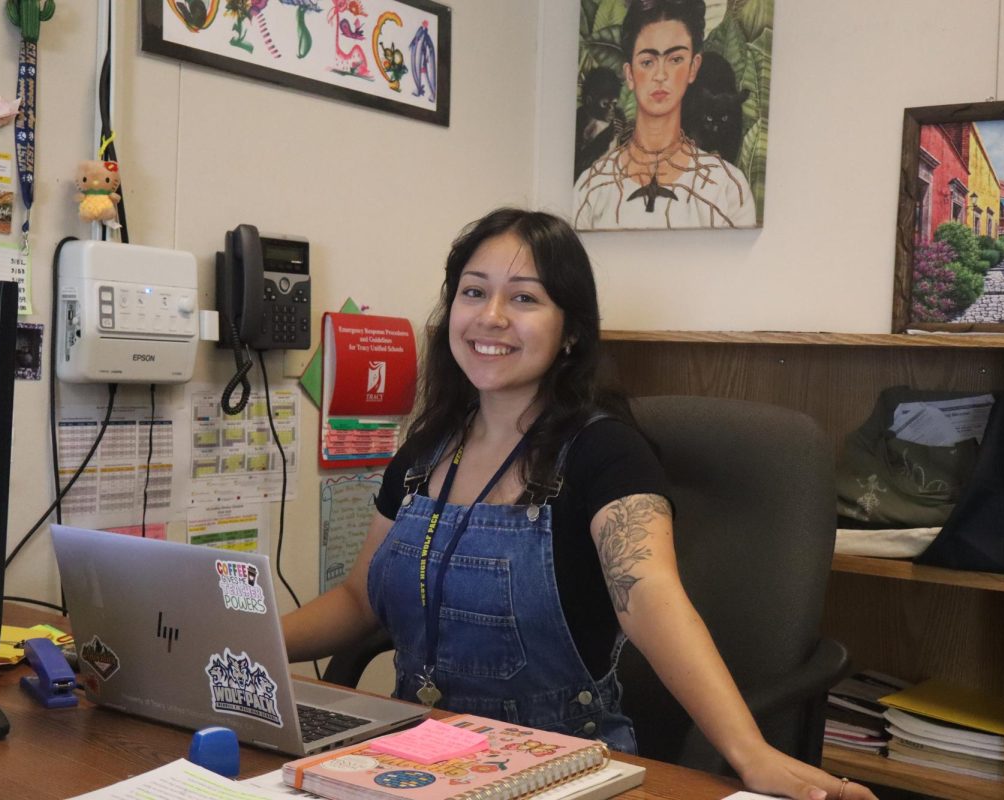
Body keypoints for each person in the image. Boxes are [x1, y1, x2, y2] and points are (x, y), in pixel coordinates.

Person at [282, 207, 873, 800]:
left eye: (524, 299)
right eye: (473, 292)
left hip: (562, 766)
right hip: (416, 757)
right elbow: (360, 599)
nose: (491, 317)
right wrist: (243, 643)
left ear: (570, 331)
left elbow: (647, 595)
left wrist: (749, 753)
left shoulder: (604, 450)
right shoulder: (426, 450)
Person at [573, 0, 756, 230]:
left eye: (675, 59)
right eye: (648, 61)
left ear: (693, 67)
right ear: (629, 73)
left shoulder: (727, 187)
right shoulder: (591, 188)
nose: (660, 75)